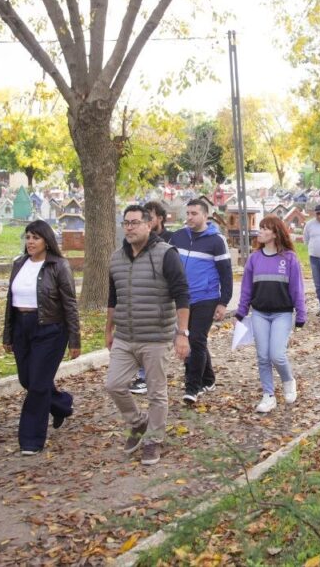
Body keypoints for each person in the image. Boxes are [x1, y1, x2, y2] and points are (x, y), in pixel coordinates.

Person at [105, 205, 191, 465]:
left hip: (156, 337)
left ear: (148, 225)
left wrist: (182, 333)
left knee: (156, 392)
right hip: (125, 336)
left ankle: (154, 440)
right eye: (126, 223)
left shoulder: (166, 254)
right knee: (114, 385)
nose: (129, 227)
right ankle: (138, 422)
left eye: (135, 222)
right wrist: (108, 329)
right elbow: (113, 298)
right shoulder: (116, 258)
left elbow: (182, 294)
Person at [1, 221, 80, 455]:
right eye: (27, 237)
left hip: (50, 330)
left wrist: (75, 340)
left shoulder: (58, 265)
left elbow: (70, 304)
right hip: (22, 328)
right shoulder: (19, 263)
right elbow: (10, 302)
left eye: (35, 237)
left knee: (37, 385)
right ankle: (62, 405)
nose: (30, 242)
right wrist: (8, 334)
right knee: (28, 379)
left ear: (46, 241)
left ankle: (31, 440)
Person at [235, 215, 307, 413]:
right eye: (260, 228)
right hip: (259, 313)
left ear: (275, 233)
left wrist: (301, 314)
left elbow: (297, 289)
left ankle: (288, 380)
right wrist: (241, 311)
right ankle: (268, 395)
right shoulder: (254, 258)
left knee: (277, 355)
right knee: (263, 356)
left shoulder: (289, 259)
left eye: (265, 228)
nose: (260, 231)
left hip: (282, 314)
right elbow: (246, 289)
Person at [169, 198, 232, 404]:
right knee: (197, 341)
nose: (189, 217)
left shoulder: (216, 241)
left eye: (194, 213)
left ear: (205, 215)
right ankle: (208, 379)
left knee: (194, 339)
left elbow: (226, 273)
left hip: (206, 298)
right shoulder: (177, 237)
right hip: (182, 300)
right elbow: (166, 264)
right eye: (187, 213)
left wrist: (223, 302)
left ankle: (192, 387)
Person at [129, 203, 172, 396]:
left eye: (150, 216)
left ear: (159, 219)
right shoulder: (135, 245)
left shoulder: (170, 241)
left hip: (164, 304)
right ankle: (143, 377)